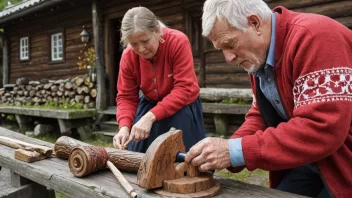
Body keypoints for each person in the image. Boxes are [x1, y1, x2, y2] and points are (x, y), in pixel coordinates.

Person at [184, 0, 352, 197]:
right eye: (221, 49)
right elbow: (261, 115)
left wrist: (234, 151)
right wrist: (225, 151)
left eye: (229, 44)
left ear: (254, 23)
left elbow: (323, 129)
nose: (228, 58)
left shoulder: (316, 37)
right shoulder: (258, 59)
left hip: (344, 161)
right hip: (311, 160)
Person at [113, 7, 206, 153]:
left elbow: (185, 88)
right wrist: (124, 127)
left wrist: (150, 117)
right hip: (150, 105)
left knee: (183, 161)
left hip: (182, 106)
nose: (141, 49)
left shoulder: (177, 41)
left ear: (157, 30)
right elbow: (126, 96)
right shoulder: (128, 56)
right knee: (137, 158)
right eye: (134, 44)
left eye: (145, 41)